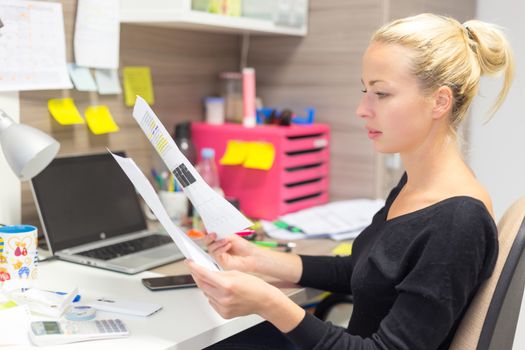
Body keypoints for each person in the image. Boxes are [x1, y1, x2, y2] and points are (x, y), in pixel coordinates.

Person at [186, 13, 514, 350]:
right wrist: (257, 259)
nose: (362, 109)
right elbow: (365, 271)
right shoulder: (418, 185)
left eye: (381, 94)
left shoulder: (457, 222)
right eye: (365, 91)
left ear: (440, 101)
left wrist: (270, 303)